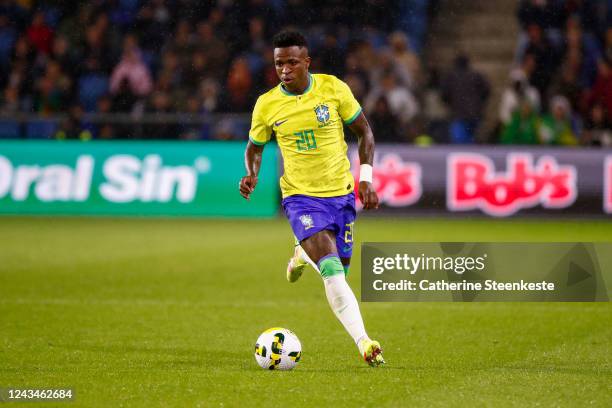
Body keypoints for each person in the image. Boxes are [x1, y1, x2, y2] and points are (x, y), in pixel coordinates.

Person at [239, 30, 384, 367]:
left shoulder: (333, 89)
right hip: (301, 198)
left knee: (340, 273)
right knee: (332, 271)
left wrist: (366, 179)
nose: (285, 69)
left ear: (307, 62)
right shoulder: (267, 104)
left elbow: (365, 132)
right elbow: (254, 147)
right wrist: (253, 173)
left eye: (292, 62)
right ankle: (364, 342)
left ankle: (301, 255)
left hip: (341, 196)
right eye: (279, 64)